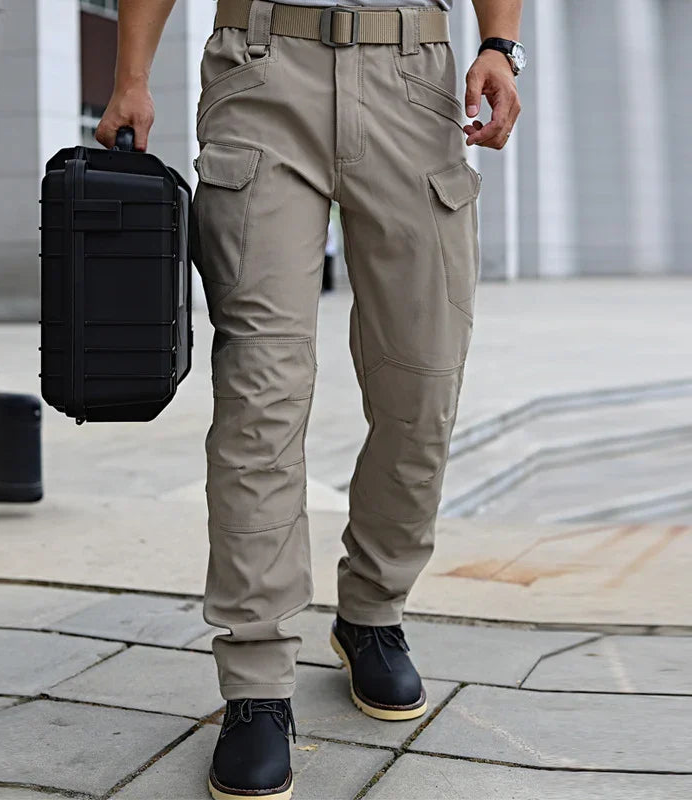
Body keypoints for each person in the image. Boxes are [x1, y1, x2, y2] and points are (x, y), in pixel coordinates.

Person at [97, 0, 523, 797]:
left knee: (422, 386)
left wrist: (501, 42)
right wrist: (130, 77)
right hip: (262, 74)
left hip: (413, 80)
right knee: (261, 394)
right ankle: (255, 681)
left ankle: (372, 610)